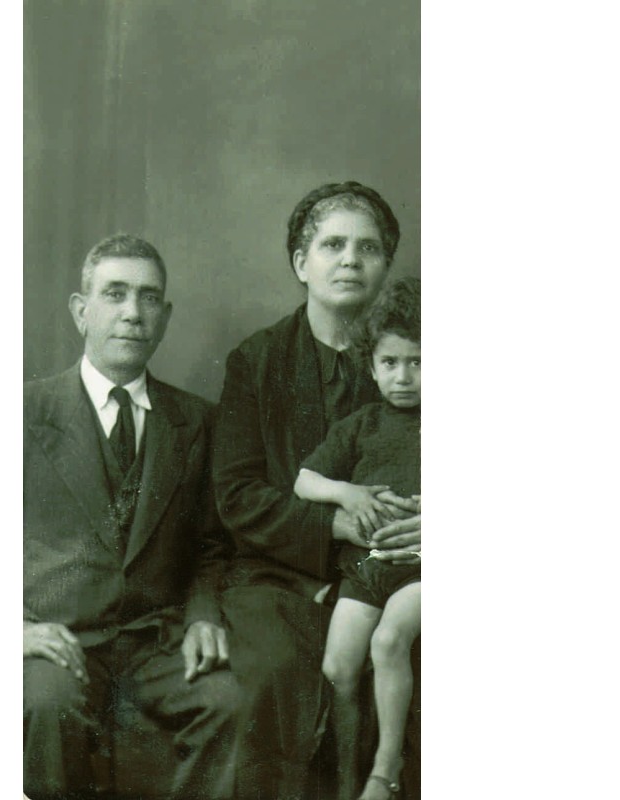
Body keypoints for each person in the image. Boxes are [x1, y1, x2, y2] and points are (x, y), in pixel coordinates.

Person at [213, 182, 422, 800]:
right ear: (301, 264)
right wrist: (335, 523)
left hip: (399, 569)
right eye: (333, 245)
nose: (351, 260)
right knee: (279, 672)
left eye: (369, 248)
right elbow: (237, 493)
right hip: (282, 573)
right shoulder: (256, 361)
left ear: (386, 266)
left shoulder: (416, 361)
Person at [24, 234, 239, 800]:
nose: (132, 312)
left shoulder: (197, 421)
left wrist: (202, 616)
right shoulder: (21, 413)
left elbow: (212, 547)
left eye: (148, 298)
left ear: (164, 317)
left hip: (157, 643)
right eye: (114, 294)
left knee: (228, 702)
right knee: (44, 704)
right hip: (61, 639)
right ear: (81, 310)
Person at [295, 277, 422, 800]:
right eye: (390, 363)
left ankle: (384, 772)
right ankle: (349, 772)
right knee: (338, 665)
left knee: (389, 640)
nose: (404, 376)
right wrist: (347, 493)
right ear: (371, 368)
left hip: (426, 566)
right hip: (369, 566)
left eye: (418, 361)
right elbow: (305, 480)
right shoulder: (362, 424)